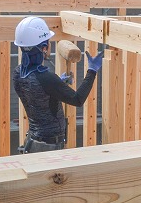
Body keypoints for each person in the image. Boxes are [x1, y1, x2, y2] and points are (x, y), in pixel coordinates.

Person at [13, 16, 103, 153]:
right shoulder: (46, 78)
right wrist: (92, 70)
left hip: (32, 142)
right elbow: (77, 99)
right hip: (48, 147)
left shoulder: (18, 73)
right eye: (48, 43)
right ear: (43, 48)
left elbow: (38, 94)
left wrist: (57, 85)